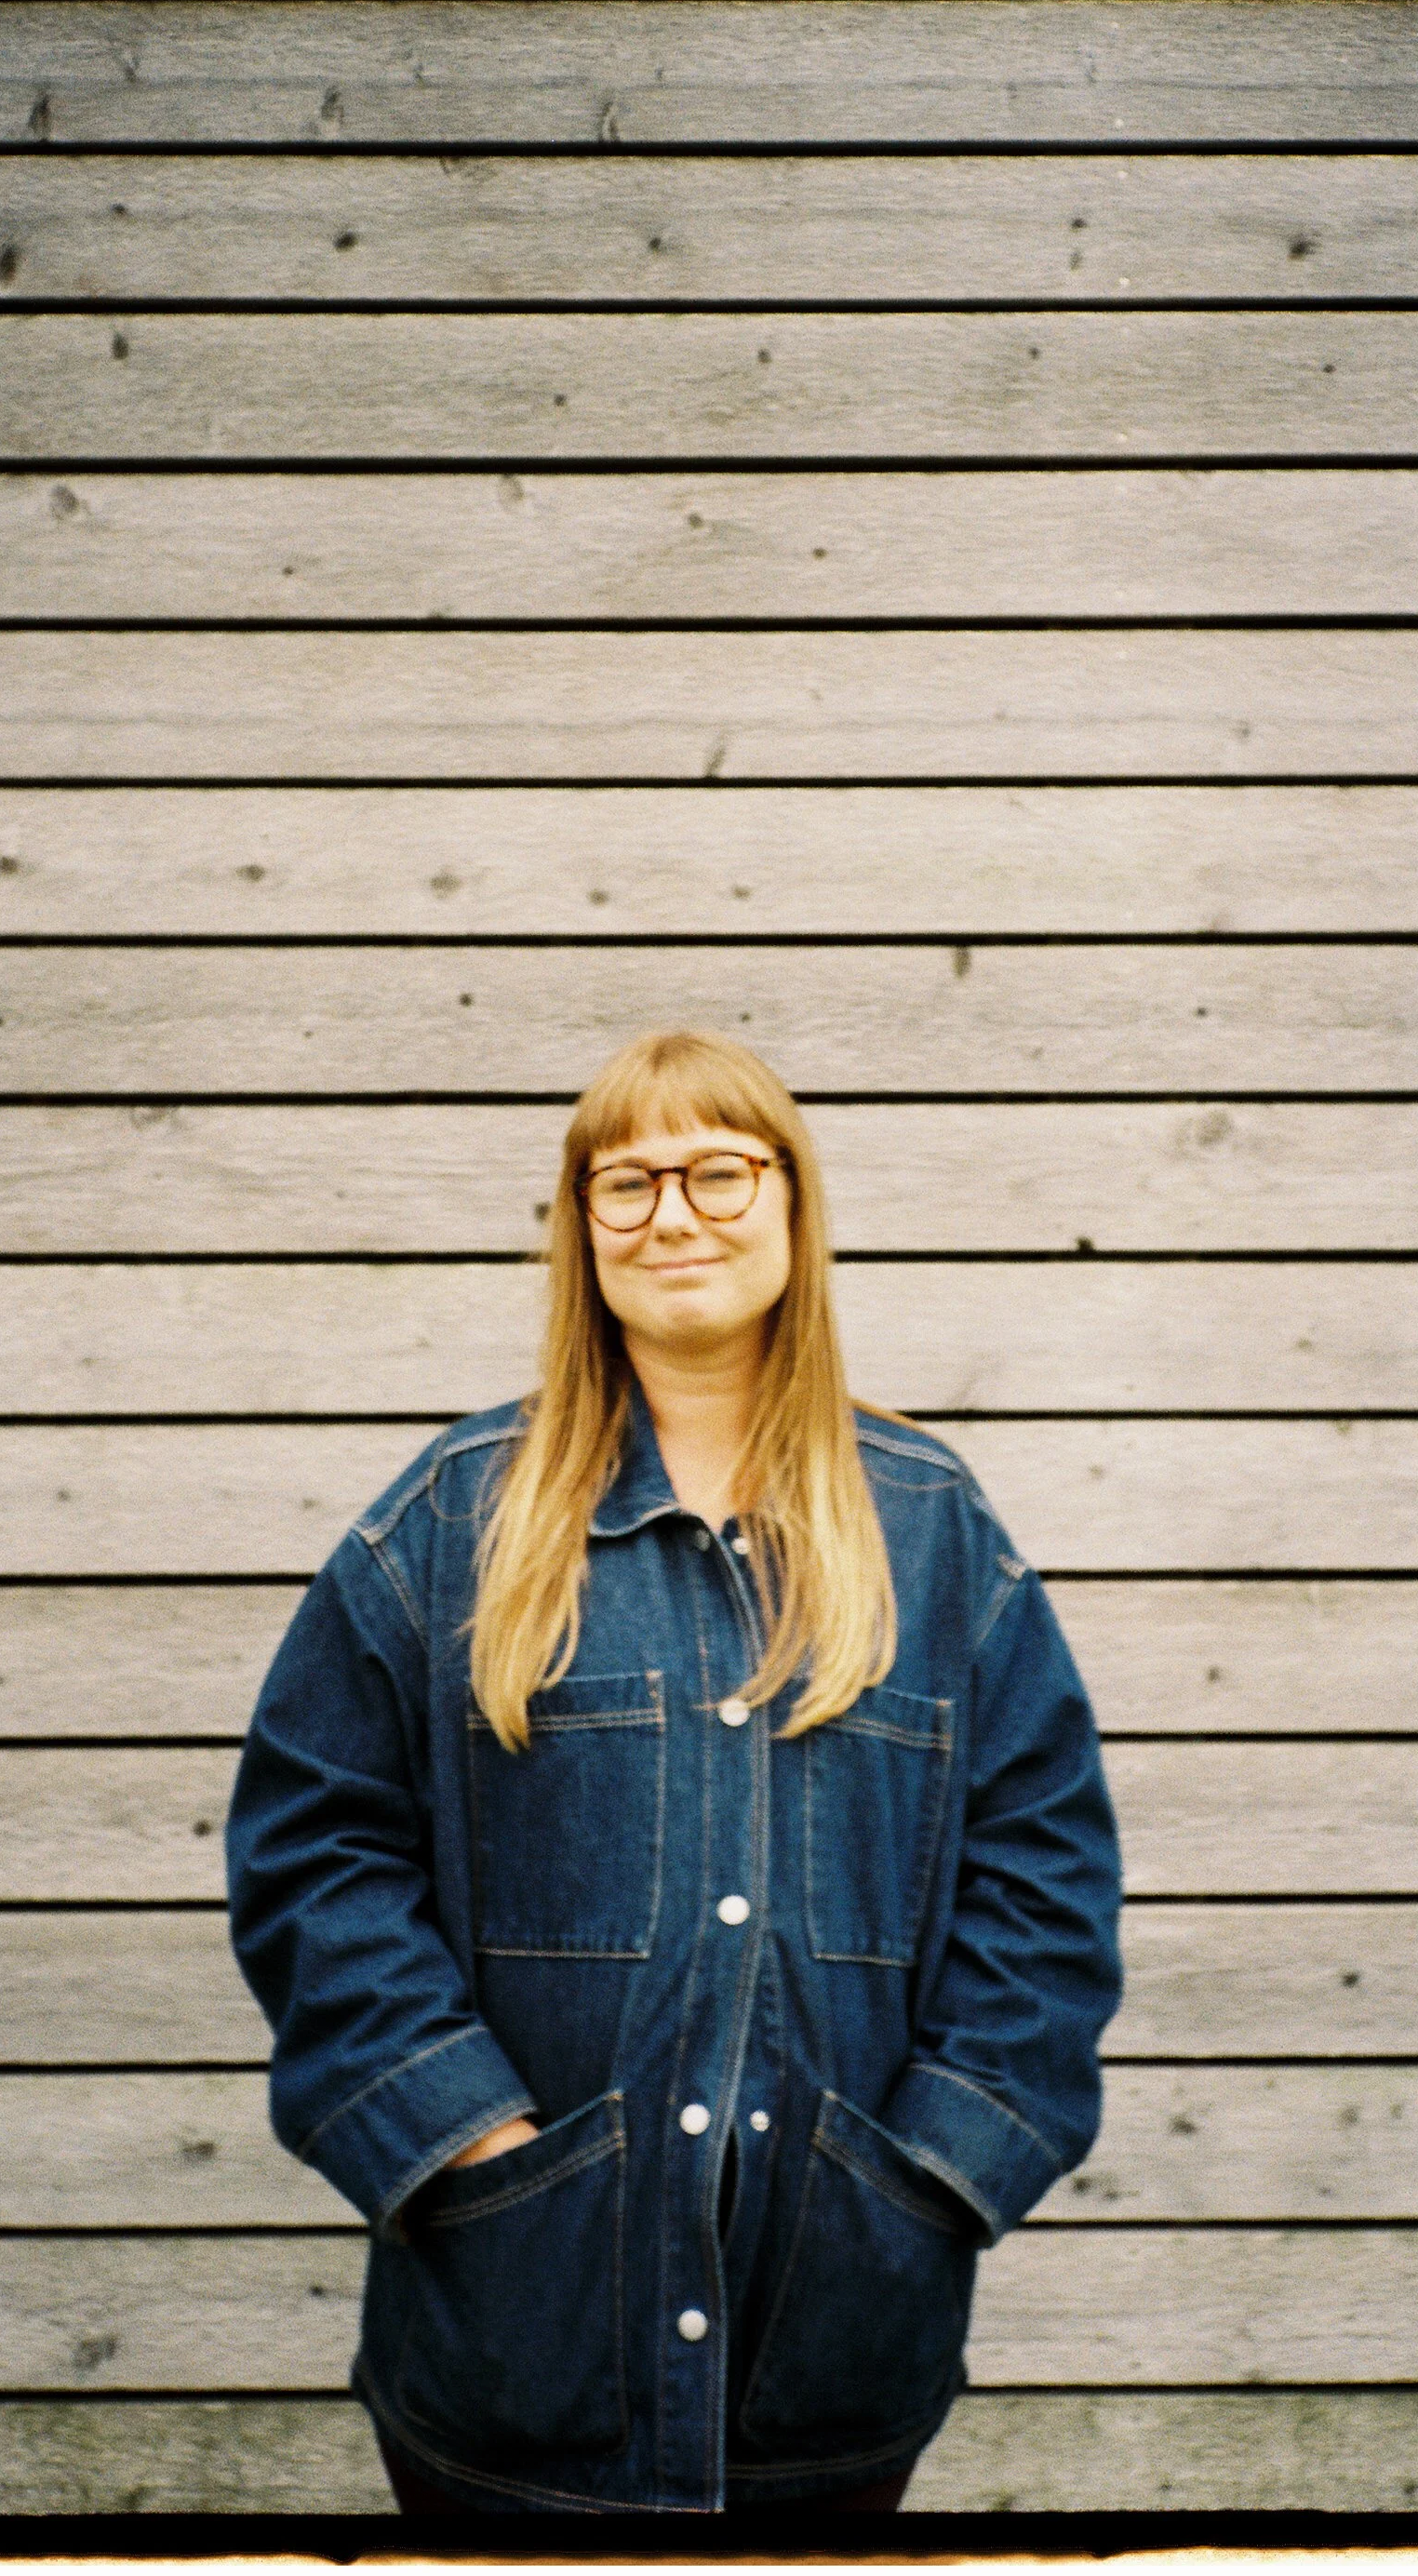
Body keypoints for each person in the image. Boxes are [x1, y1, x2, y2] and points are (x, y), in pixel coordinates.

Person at [225, 1030, 1122, 2518]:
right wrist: (465, 2141)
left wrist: (927, 2178)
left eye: (717, 1168)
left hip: (830, 2351)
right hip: (513, 2344)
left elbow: (1042, 1870)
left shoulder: (930, 1528)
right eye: (624, 1181)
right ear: (581, 1229)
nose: (673, 1212)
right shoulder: (456, 1518)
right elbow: (314, 1847)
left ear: (790, 1205)